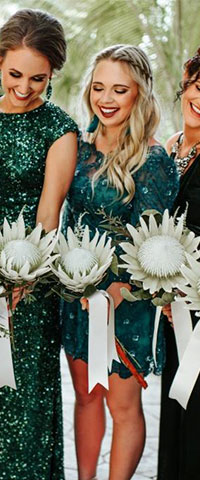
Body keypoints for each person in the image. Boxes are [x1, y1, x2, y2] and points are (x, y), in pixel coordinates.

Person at [0, 9, 78, 480]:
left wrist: (23, 276)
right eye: (14, 75)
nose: (25, 87)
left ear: (52, 75)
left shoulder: (60, 128)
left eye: (38, 78)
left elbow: (49, 214)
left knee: (24, 394)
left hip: (32, 276)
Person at [61, 45, 179, 480]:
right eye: (98, 88)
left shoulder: (153, 161)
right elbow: (66, 219)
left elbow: (155, 243)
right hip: (77, 295)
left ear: (139, 95)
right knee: (86, 396)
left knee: (122, 404)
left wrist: (117, 289)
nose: (106, 99)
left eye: (119, 89)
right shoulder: (76, 147)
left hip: (126, 302)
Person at [158, 47, 200, 480]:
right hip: (174, 311)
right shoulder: (170, 147)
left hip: (199, 306)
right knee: (177, 410)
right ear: (187, 83)